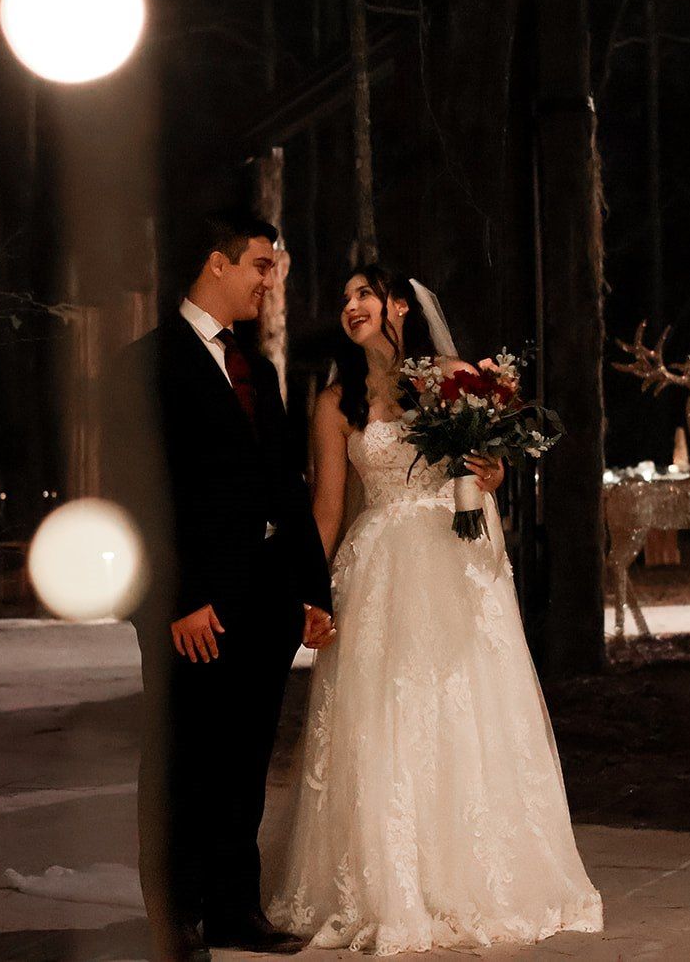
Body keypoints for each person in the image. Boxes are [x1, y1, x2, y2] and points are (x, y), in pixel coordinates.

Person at [266, 265, 603, 954]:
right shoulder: (334, 402)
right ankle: (388, 884)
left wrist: (493, 473)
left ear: (398, 305)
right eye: (344, 297)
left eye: (363, 293)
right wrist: (307, 590)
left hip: (450, 559)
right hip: (377, 568)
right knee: (380, 716)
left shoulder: (449, 379)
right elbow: (327, 510)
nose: (351, 305)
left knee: (459, 706)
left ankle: (469, 875)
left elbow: (481, 468)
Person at [126, 209, 336, 960]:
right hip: (191, 607)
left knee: (245, 760)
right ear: (217, 263)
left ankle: (234, 909)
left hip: (263, 600)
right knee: (183, 760)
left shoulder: (257, 367)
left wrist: (312, 590)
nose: (268, 281)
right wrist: (178, 598)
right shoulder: (147, 364)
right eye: (260, 265)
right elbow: (138, 495)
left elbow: (285, 485)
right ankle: (176, 917)